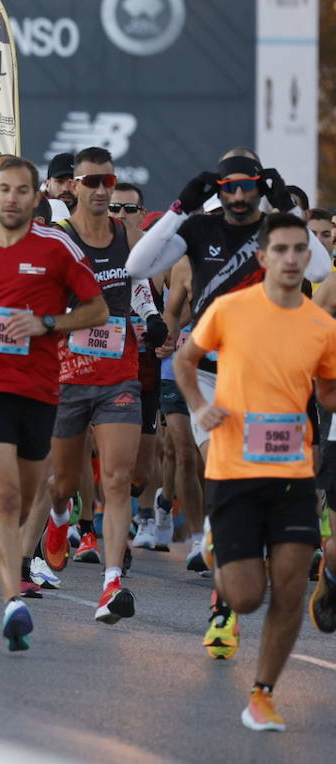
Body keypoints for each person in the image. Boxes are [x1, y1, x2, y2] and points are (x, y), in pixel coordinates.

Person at [125, 149, 327, 655]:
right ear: (215, 187)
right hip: (215, 377)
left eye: (249, 185)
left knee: (270, 486)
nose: (238, 195)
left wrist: (289, 208)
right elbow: (137, 265)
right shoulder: (199, 230)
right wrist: (180, 206)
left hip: (280, 380)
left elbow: (321, 270)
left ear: (261, 185)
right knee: (224, 470)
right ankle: (222, 608)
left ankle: (231, 551)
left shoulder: (281, 234)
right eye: (227, 186)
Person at [174, 213, 336, 731]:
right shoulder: (229, 309)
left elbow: (329, 394)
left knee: (288, 588)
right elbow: (185, 360)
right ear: (263, 258)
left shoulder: (322, 325)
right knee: (245, 596)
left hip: (292, 471)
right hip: (234, 469)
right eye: (281, 250)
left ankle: (263, 693)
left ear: (308, 260)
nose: (291, 259)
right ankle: (218, 546)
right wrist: (199, 405)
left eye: (299, 250)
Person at [0, 157, 107, 650]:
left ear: (36, 198)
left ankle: (5, 545)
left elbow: (95, 309)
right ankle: (14, 603)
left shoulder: (56, 247)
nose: (11, 198)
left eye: (22, 191)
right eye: (4, 189)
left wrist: (48, 324)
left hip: (39, 386)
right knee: (5, 493)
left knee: (31, 494)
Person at [40, 147, 168, 623]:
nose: (99, 190)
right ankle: (57, 521)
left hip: (118, 373)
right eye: (90, 181)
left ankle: (112, 583)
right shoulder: (59, 238)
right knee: (63, 484)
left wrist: (150, 317)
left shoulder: (127, 233)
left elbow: (134, 283)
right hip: (67, 375)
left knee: (116, 479)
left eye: (107, 182)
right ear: (72, 185)